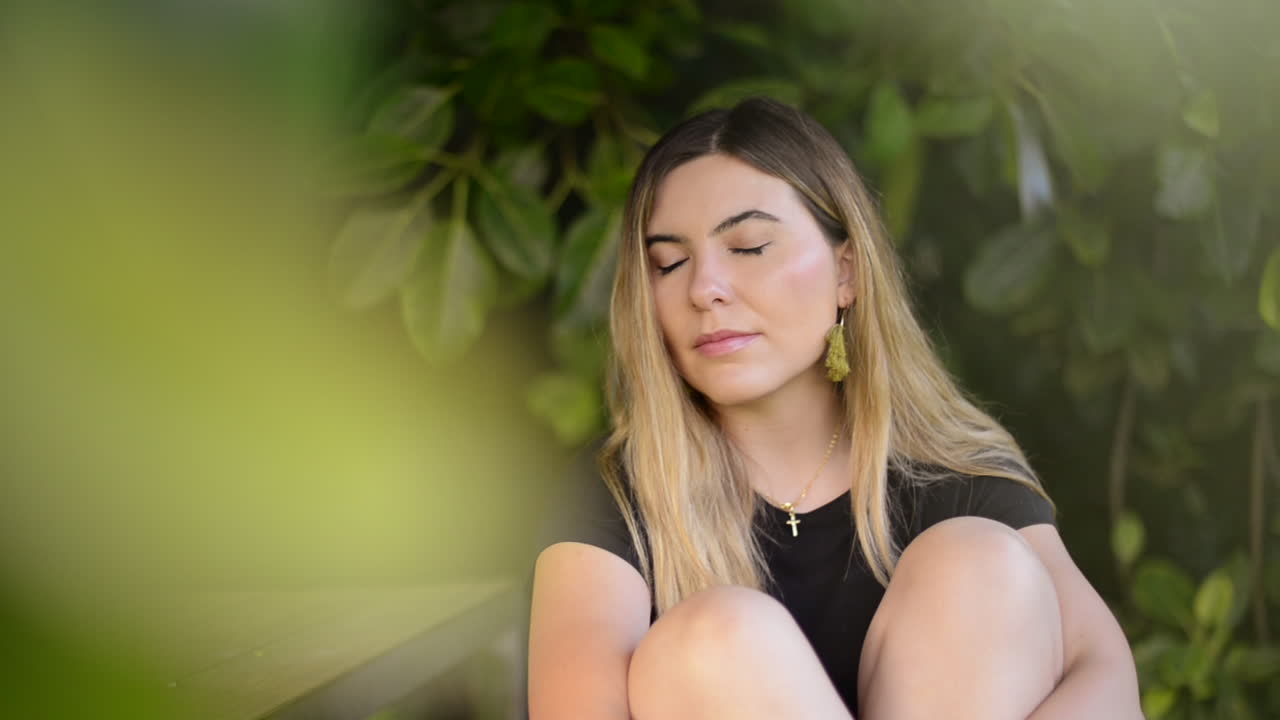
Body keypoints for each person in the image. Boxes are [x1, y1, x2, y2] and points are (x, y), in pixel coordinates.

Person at [527, 97, 1141, 719]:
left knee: (982, 563)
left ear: (846, 271)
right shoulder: (617, 495)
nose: (704, 288)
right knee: (713, 637)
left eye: (748, 246)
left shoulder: (954, 471)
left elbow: (1108, 684)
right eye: (671, 262)